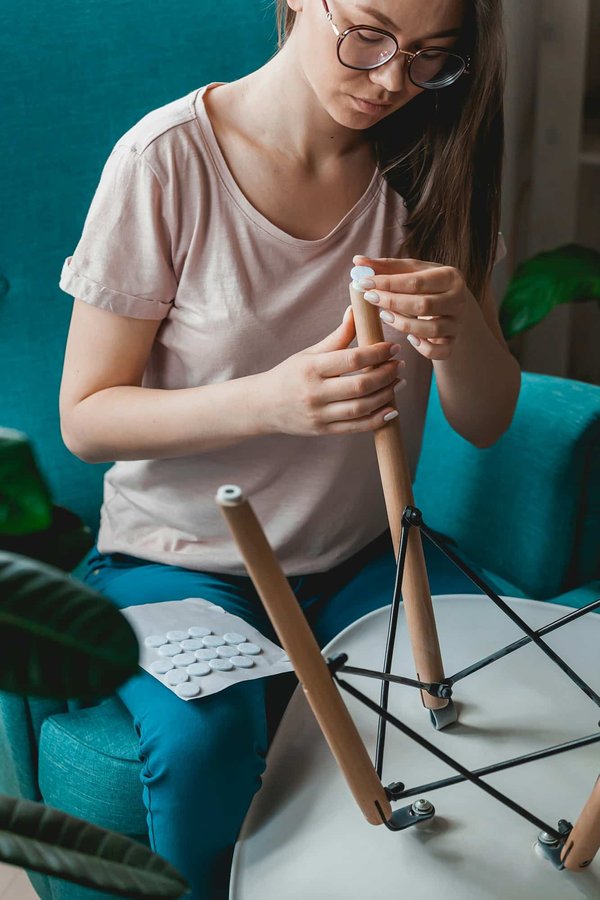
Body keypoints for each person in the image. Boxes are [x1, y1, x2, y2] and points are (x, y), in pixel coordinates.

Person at [58, 1, 521, 896]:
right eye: (369, 35)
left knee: (500, 697)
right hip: (177, 563)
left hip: (365, 560)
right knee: (202, 746)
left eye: (431, 56)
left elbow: (487, 418)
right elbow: (86, 418)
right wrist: (271, 402)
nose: (392, 80)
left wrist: (461, 323)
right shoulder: (166, 162)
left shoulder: (430, 161)